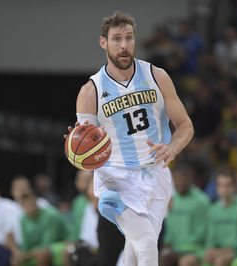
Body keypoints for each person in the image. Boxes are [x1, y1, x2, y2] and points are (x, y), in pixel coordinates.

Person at [66, 11, 194, 266]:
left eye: (129, 38)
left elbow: (185, 125)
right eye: (116, 39)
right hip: (116, 181)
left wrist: (172, 149)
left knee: (133, 256)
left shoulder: (157, 76)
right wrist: (76, 155)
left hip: (156, 175)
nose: (124, 46)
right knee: (147, 246)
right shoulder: (91, 91)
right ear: (104, 42)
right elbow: (84, 153)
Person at [160, 165, 210, 266]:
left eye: (183, 179)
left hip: (195, 249)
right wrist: (167, 243)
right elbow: (169, 226)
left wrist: (184, 248)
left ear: (190, 179)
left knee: (185, 262)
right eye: (177, 179)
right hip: (174, 249)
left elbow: (205, 231)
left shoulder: (202, 201)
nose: (180, 183)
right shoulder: (171, 199)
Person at [203, 171, 237, 266]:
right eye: (220, 186)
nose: (224, 189)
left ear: (234, 187)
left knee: (220, 260)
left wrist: (226, 250)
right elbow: (210, 237)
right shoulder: (213, 210)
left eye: (227, 186)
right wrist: (211, 249)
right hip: (219, 250)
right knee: (205, 259)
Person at [10, 188, 69, 266]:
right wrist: (20, 254)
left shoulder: (50, 215)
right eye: (24, 203)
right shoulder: (23, 219)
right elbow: (26, 244)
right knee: (15, 259)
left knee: (43, 254)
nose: (27, 205)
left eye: (30, 202)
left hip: (63, 244)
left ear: (36, 202)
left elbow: (46, 244)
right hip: (38, 249)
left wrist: (27, 255)